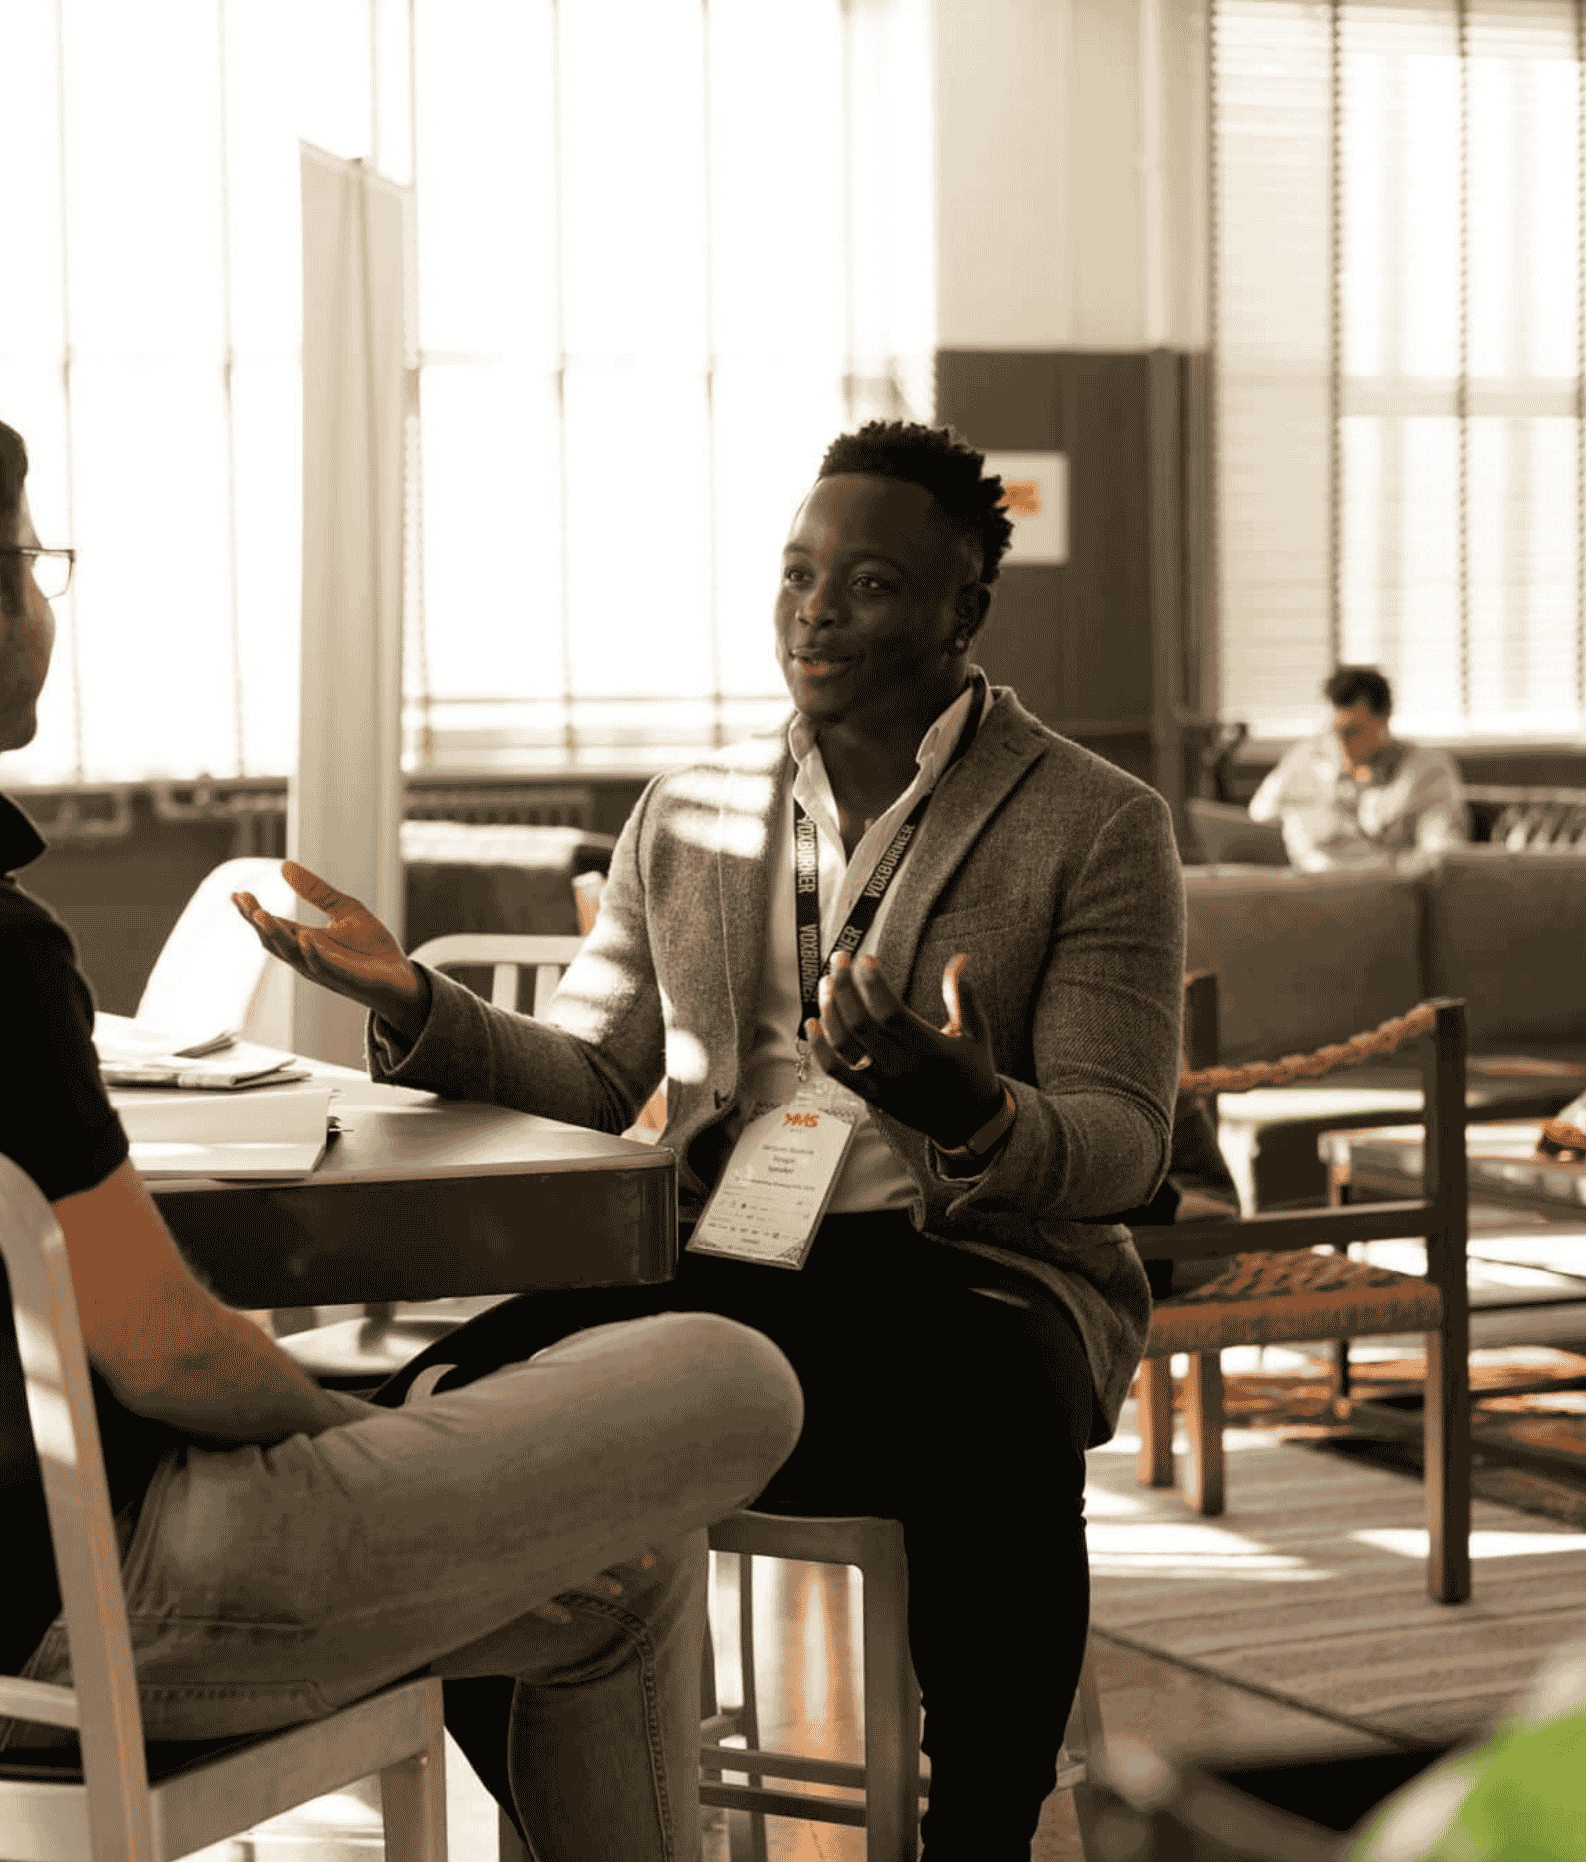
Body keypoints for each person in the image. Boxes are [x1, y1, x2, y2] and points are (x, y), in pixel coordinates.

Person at [0, 369, 802, 1862]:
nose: (41, 604)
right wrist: (361, 1439)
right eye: (37, 565)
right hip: (95, 1608)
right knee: (735, 1370)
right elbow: (163, 1348)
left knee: (626, 1580)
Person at [238, 419, 1185, 1858]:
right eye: (798, 573)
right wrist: (418, 1003)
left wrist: (974, 1108)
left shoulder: (1095, 821)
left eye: (869, 582)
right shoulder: (686, 814)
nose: (816, 610)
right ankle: (594, 1831)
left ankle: (980, 1832)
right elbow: (590, 1072)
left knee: (992, 1414)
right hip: (729, 1268)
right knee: (444, 1407)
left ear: (963, 611)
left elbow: (1126, 1141)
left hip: (974, 1274)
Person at [1246, 665, 1469, 872]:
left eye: (1353, 732)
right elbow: (1259, 819)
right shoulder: (1307, 757)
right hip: (1306, 887)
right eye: (1335, 731)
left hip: (1383, 887)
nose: (1342, 745)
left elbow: (1440, 852)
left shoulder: (1426, 770)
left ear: (1384, 718)